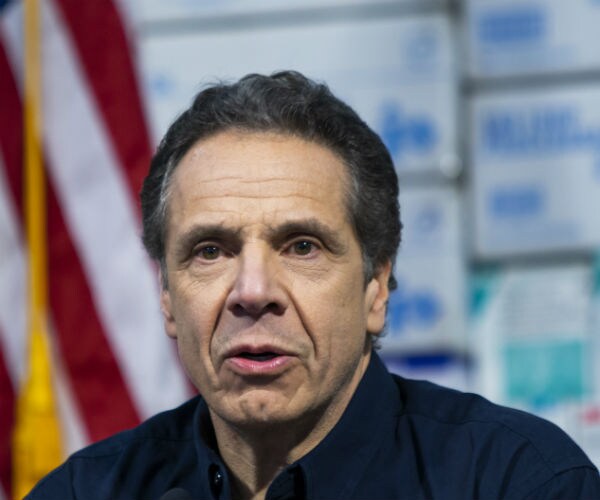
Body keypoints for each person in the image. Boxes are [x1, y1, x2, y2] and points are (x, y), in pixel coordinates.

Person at [28, 71, 599, 500]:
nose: (252, 291)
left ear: (376, 286)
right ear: (167, 297)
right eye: (210, 251)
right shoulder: (83, 491)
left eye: (302, 246)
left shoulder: (518, 481)